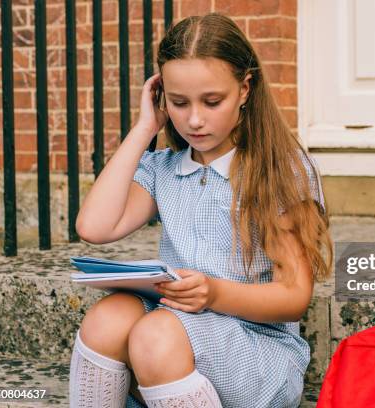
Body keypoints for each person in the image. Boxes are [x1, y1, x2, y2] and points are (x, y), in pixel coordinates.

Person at [68, 12, 333, 408]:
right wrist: (145, 127)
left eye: (212, 101)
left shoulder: (280, 169)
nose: (194, 119)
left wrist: (213, 293)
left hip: (255, 350)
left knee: (154, 334)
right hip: (174, 333)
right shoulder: (164, 170)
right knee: (107, 319)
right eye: (178, 102)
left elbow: (294, 296)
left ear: (244, 89)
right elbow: (94, 226)